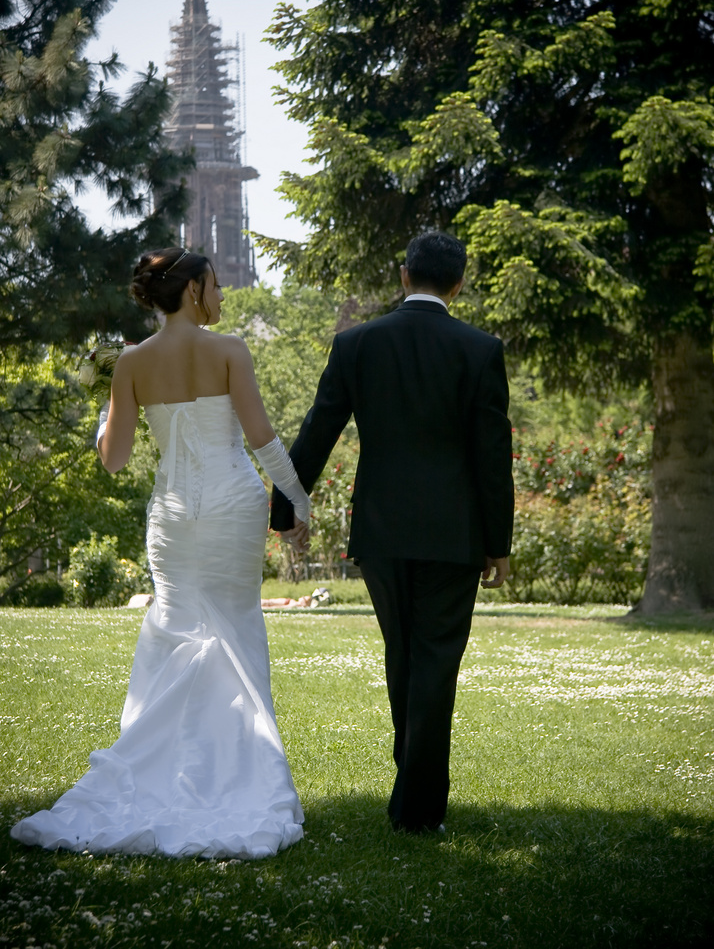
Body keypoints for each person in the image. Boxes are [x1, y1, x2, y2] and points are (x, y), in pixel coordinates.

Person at [11, 247, 309, 859]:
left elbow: (114, 459)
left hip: (172, 515)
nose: (223, 297)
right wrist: (298, 502)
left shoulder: (131, 364)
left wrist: (106, 410)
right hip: (232, 507)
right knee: (235, 628)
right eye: (218, 286)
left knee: (175, 627)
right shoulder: (230, 350)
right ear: (195, 289)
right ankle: (239, 772)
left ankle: (163, 771)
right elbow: (262, 439)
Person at [271, 231, 514, 834]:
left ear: (404, 276)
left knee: (404, 653)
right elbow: (493, 453)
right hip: (455, 534)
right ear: (458, 284)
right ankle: (418, 803)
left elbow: (318, 430)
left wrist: (283, 508)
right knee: (434, 659)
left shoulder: (355, 343)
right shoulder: (480, 349)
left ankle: (414, 784)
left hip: (379, 530)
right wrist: (498, 541)